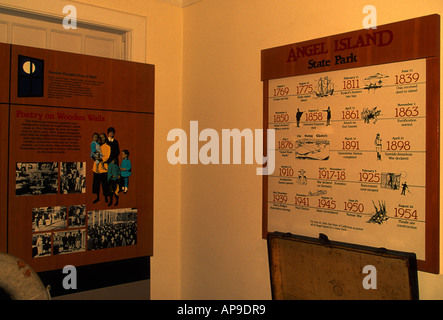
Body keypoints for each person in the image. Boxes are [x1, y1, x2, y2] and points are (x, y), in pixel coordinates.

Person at [92, 133, 111, 204]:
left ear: (105, 138)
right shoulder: (97, 145)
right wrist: (95, 157)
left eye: (103, 137)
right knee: (96, 184)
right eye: (100, 137)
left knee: (105, 184)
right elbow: (93, 154)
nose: (102, 139)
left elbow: (107, 156)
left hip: (104, 168)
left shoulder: (108, 147)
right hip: (96, 168)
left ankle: (106, 197)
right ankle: (97, 198)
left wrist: (101, 159)